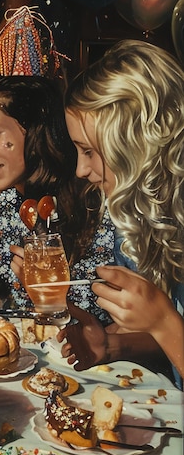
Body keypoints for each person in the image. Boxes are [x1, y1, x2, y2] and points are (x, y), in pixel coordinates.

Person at [62, 39, 184, 387]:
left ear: (137, 144)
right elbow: (168, 346)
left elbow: (169, 329)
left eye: (89, 151)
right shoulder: (136, 217)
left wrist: (162, 319)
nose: (81, 169)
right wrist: (111, 344)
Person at [0, 73, 115, 322]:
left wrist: (46, 291)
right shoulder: (4, 205)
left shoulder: (93, 196)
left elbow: (107, 314)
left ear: (33, 129)